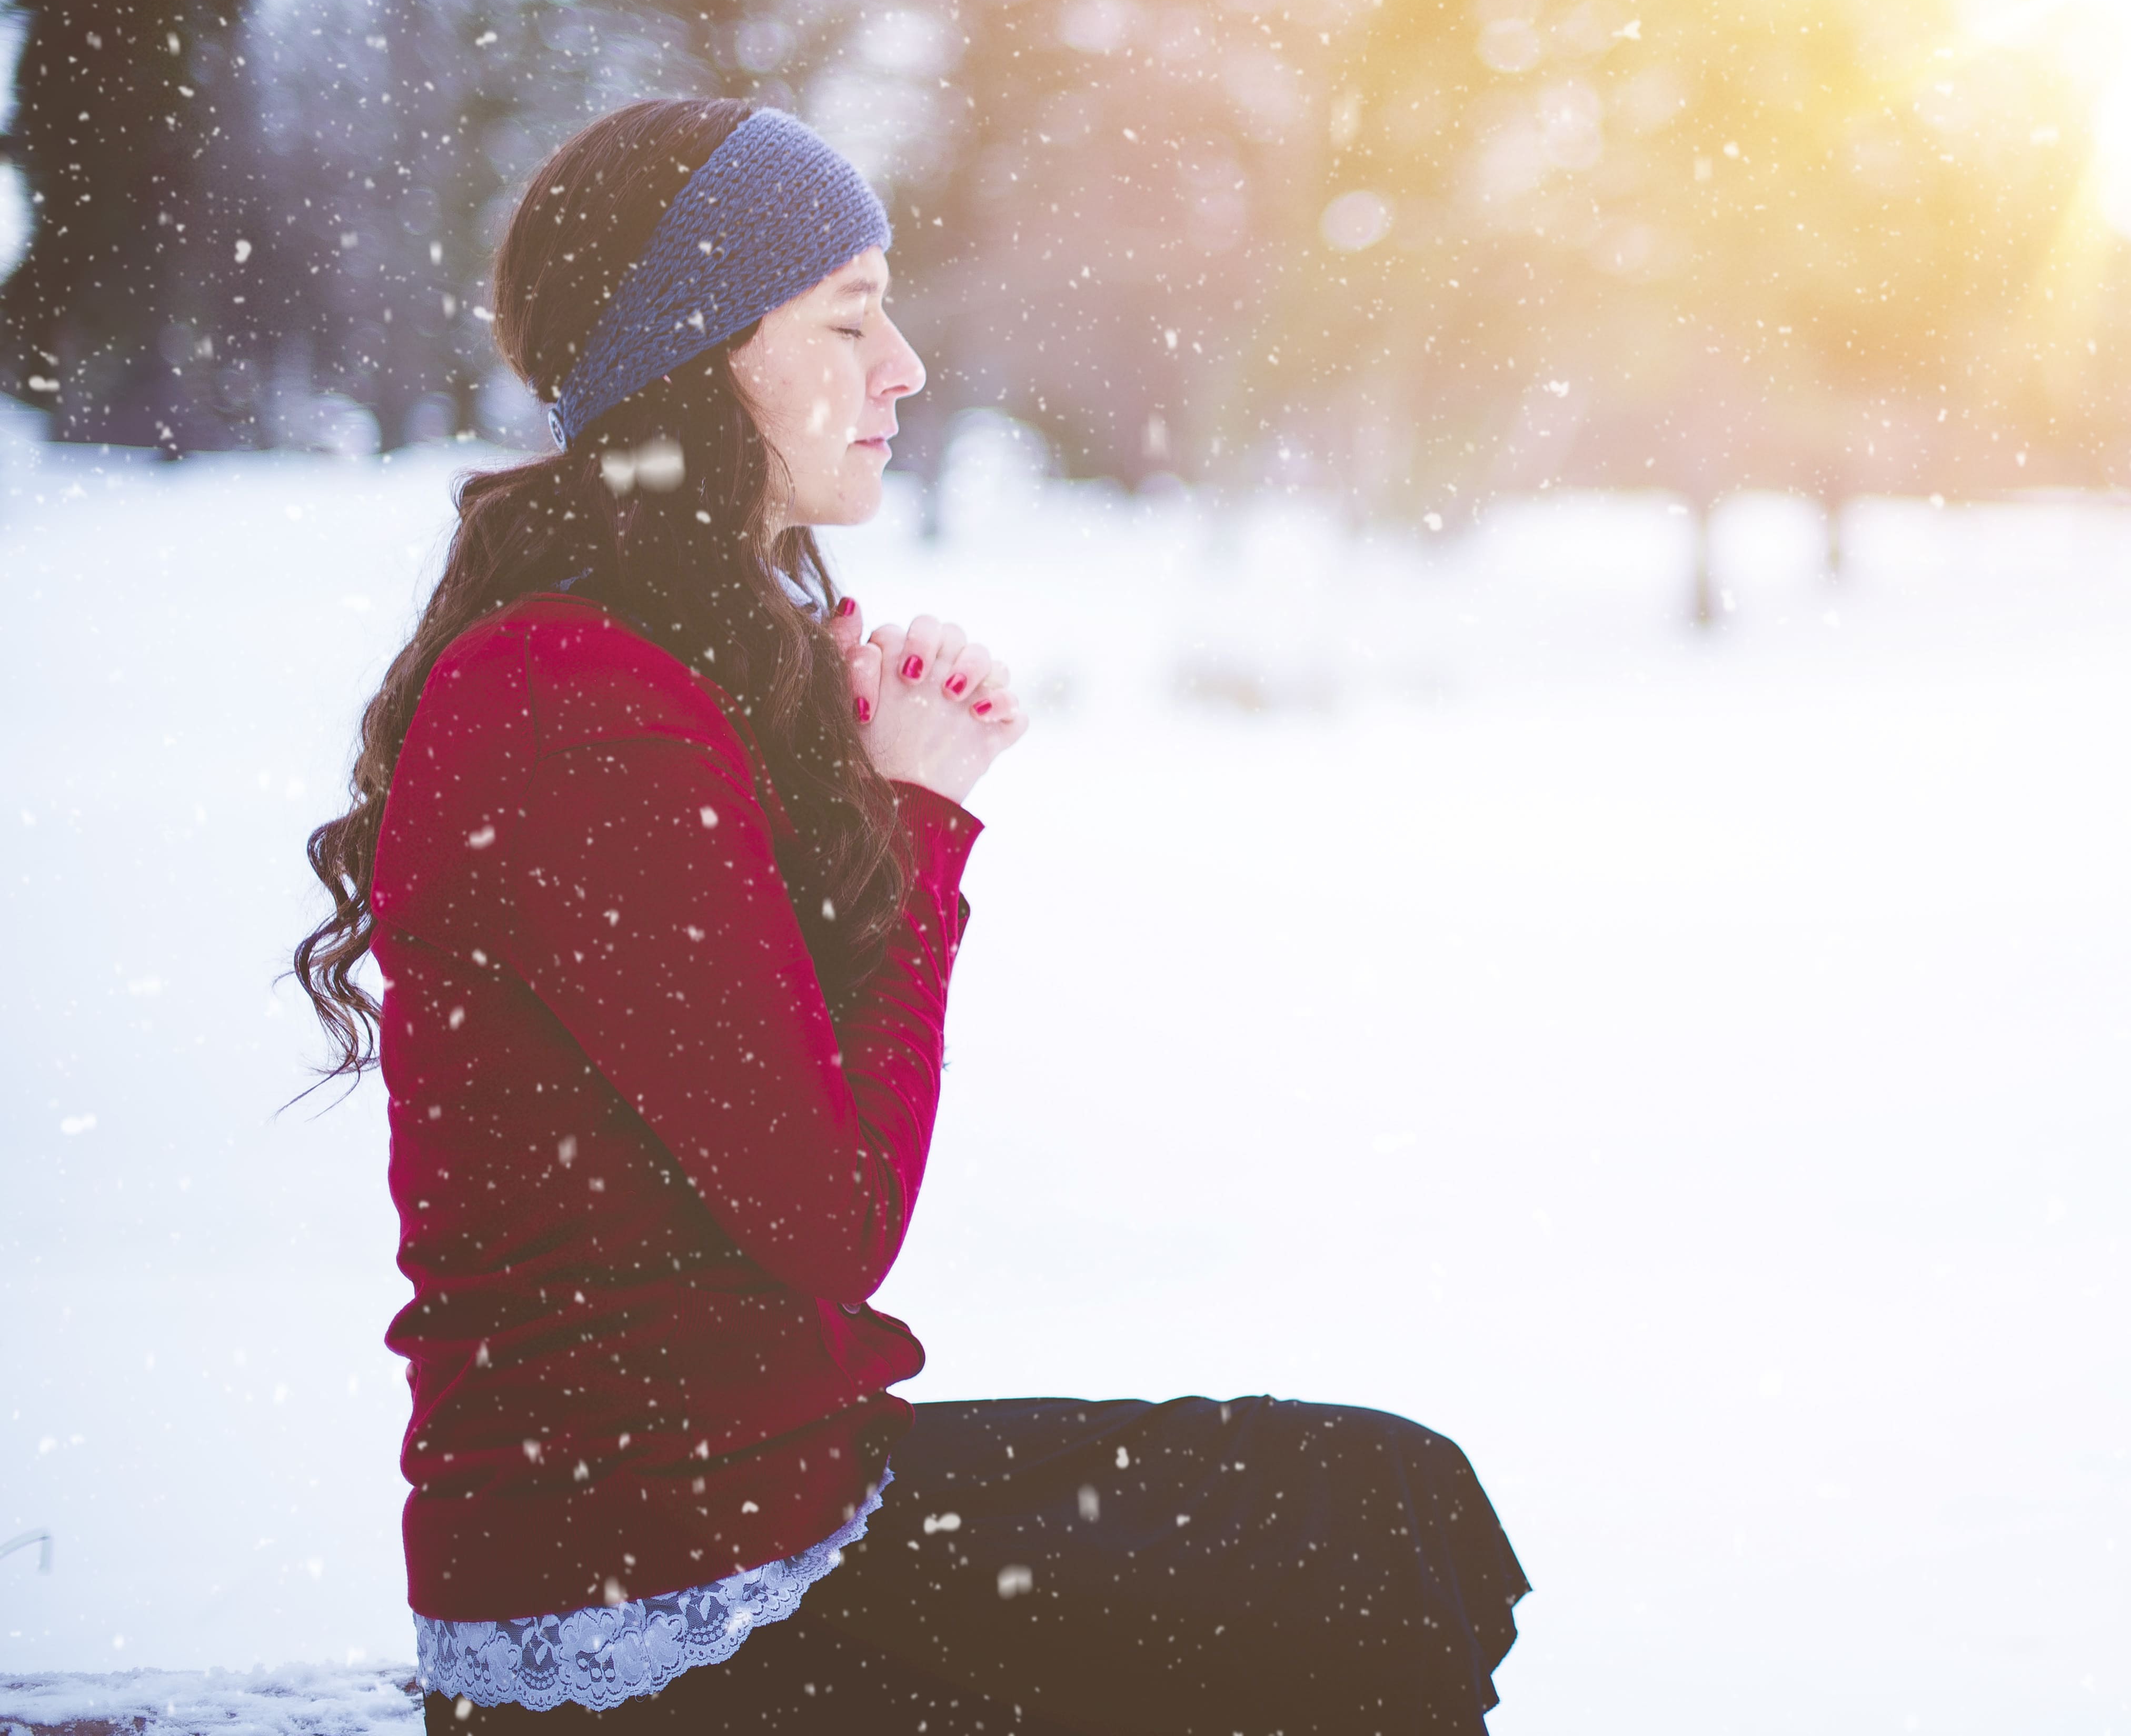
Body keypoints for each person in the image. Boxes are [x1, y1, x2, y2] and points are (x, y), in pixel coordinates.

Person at [293, 99, 1528, 1731]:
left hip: (769, 1512)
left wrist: (867, 803)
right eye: (849, 315)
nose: (906, 368)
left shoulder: (645, 670)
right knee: (1355, 1569)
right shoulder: (573, 703)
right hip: (662, 1612)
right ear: (698, 352)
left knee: (1398, 1508)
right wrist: (923, 821)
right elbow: (834, 1213)